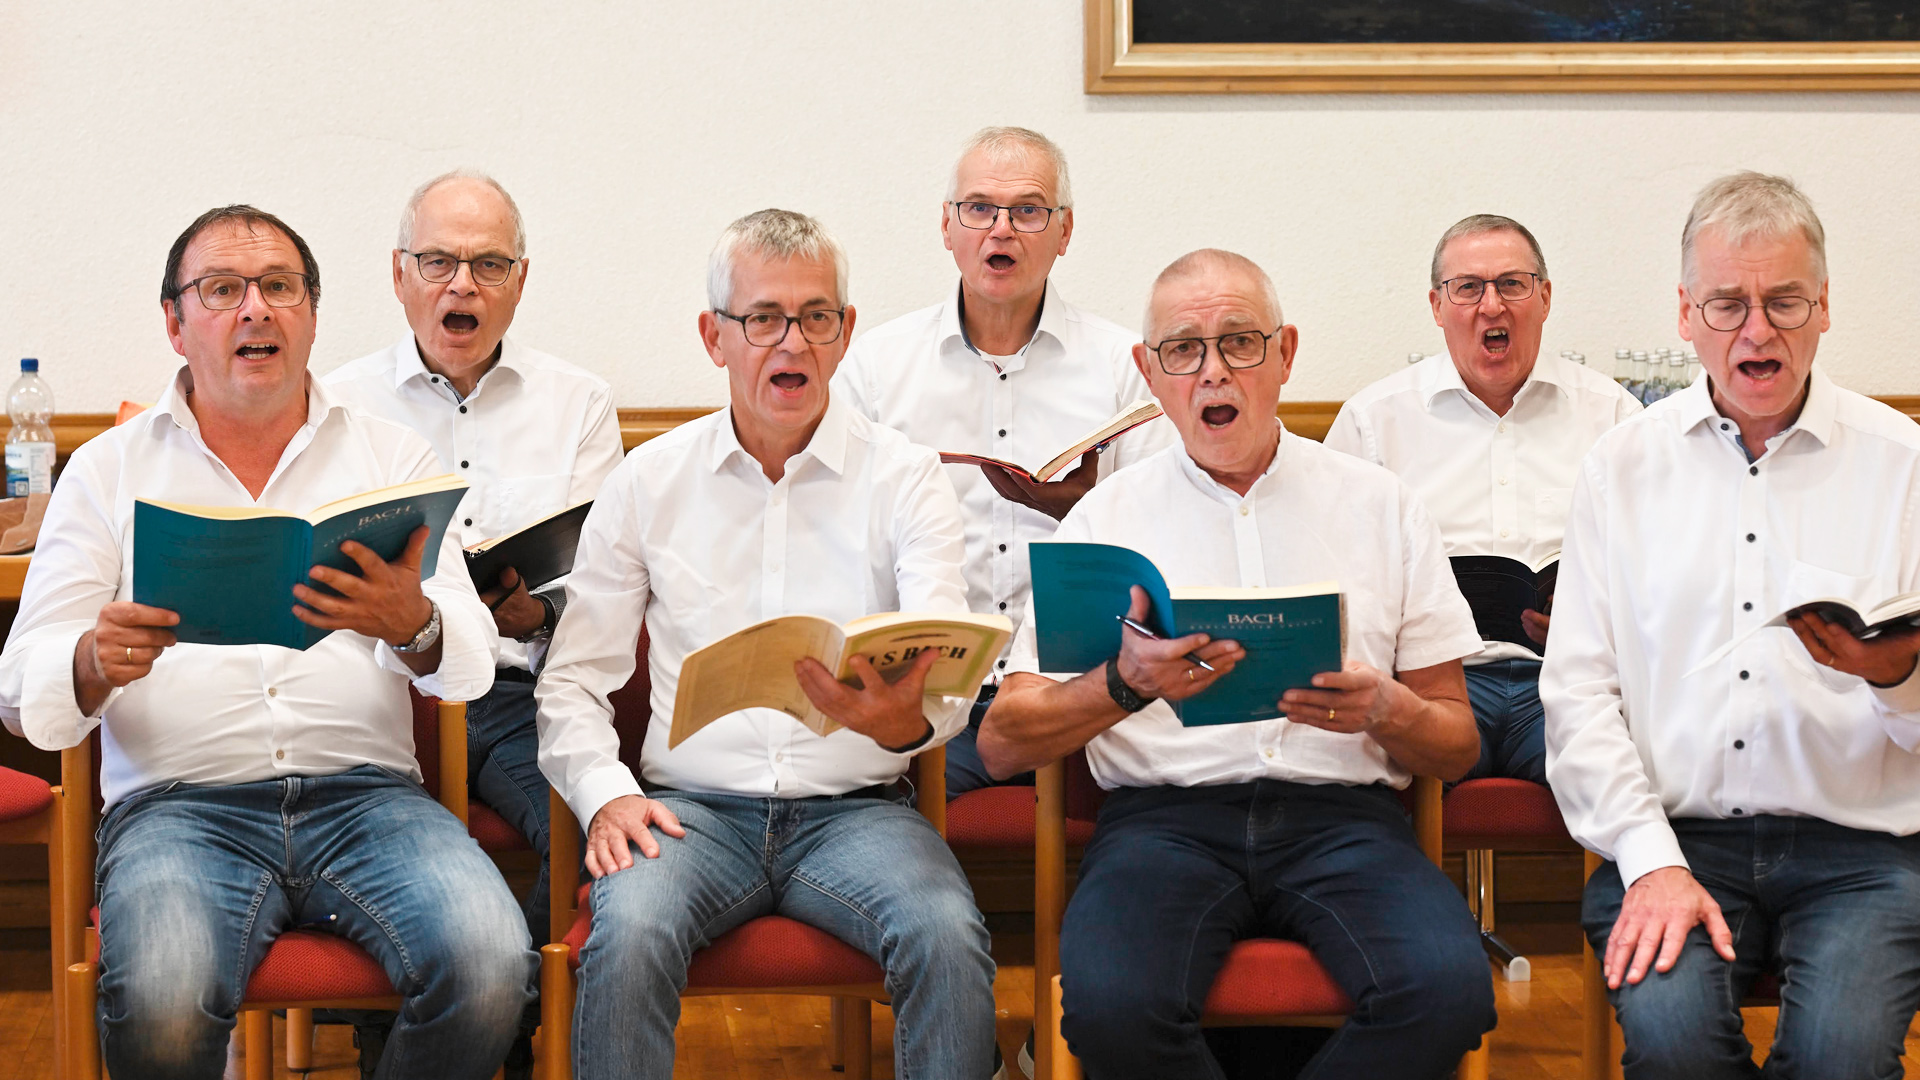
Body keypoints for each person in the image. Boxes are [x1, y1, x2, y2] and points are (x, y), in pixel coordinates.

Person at [0, 205, 535, 1079]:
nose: (256, 308)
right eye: (222, 289)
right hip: (178, 811)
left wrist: (415, 623)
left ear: (312, 316)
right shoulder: (106, 469)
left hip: (368, 801)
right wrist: (90, 662)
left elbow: (468, 661)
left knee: (490, 965)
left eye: (280, 287)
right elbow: (21, 691)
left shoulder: (391, 457)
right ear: (175, 323)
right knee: (163, 996)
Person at [978, 249, 1496, 1079]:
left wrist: (1387, 710)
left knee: (1448, 992)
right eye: (1184, 350)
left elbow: (1459, 743)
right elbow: (1003, 743)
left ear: (1285, 354)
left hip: (1344, 821)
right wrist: (1125, 684)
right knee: (1110, 1010)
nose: (1213, 372)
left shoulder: (1382, 504)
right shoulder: (1103, 520)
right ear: (1151, 374)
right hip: (1163, 826)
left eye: (1240, 343)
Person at [535, 209, 998, 1079]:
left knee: (946, 934)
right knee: (627, 934)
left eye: (816, 317)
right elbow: (573, 682)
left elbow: (946, 666)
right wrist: (607, 796)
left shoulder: (906, 478)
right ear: (714, 336)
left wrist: (906, 722)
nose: (793, 342)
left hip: (858, 812)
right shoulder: (649, 480)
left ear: (845, 332)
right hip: (690, 814)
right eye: (764, 319)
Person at [1544, 172, 1920, 1079]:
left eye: (1785, 301)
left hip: (1864, 852)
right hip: (1676, 837)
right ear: (1685, 313)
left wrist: (1895, 677)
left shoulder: (1904, 466)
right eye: (1727, 304)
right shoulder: (1620, 468)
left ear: (1824, 307)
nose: (1757, 331)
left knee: (1842, 1058)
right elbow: (1578, 695)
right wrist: (1650, 860)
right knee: (1676, 1048)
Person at [326, 168, 623, 971]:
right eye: (438, 262)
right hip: (383, 696)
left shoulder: (578, 401)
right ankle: (397, 1018)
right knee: (349, 849)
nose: (463, 284)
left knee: (598, 829)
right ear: (400, 275)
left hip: (522, 692)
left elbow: (607, 579)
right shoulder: (335, 404)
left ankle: (507, 1010)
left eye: (489, 264)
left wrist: (543, 614)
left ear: (519, 281)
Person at [832, 126, 1174, 800]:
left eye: (1028, 211)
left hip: (1083, 696)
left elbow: (1171, 531)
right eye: (979, 208)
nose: (1002, 230)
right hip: (931, 696)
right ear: (947, 226)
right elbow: (834, 528)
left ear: (1064, 231)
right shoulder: (877, 367)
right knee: (871, 812)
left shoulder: (1125, 365)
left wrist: (1083, 511)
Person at [1325, 215, 1640, 785]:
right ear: (1437, 305)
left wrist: (1596, 619)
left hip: (1572, 681)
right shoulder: (1374, 421)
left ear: (1545, 298)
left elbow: (1660, 571)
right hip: (1432, 687)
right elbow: (1330, 574)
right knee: (1368, 771)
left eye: (1512, 284)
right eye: (1468, 287)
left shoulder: (1614, 416)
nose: (1491, 306)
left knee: (1613, 776)